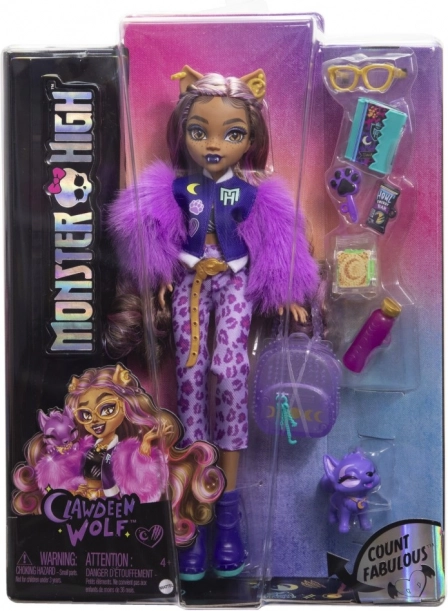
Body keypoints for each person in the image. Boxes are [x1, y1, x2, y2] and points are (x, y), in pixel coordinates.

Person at [107, 67, 318, 578]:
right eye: (200, 131)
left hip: (234, 281)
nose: (215, 144)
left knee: (230, 372)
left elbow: (280, 242)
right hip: (190, 282)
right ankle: (194, 510)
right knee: (189, 377)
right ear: (182, 132)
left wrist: (288, 290)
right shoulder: (176, 188)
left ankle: (228, 518)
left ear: (251, 138)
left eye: (233, 133)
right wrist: (160, 272)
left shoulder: (253, 193)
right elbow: (148, 231)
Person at [12, 364, 224, 552]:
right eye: (85, 414)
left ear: (124, 405)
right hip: (88, 511)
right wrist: (69, 480)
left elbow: (142, 482)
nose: (95, 420)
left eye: (106, 409)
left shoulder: (126, 452)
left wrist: (145, 446)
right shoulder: (85, 448)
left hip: (116, 512)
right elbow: (66, 479)